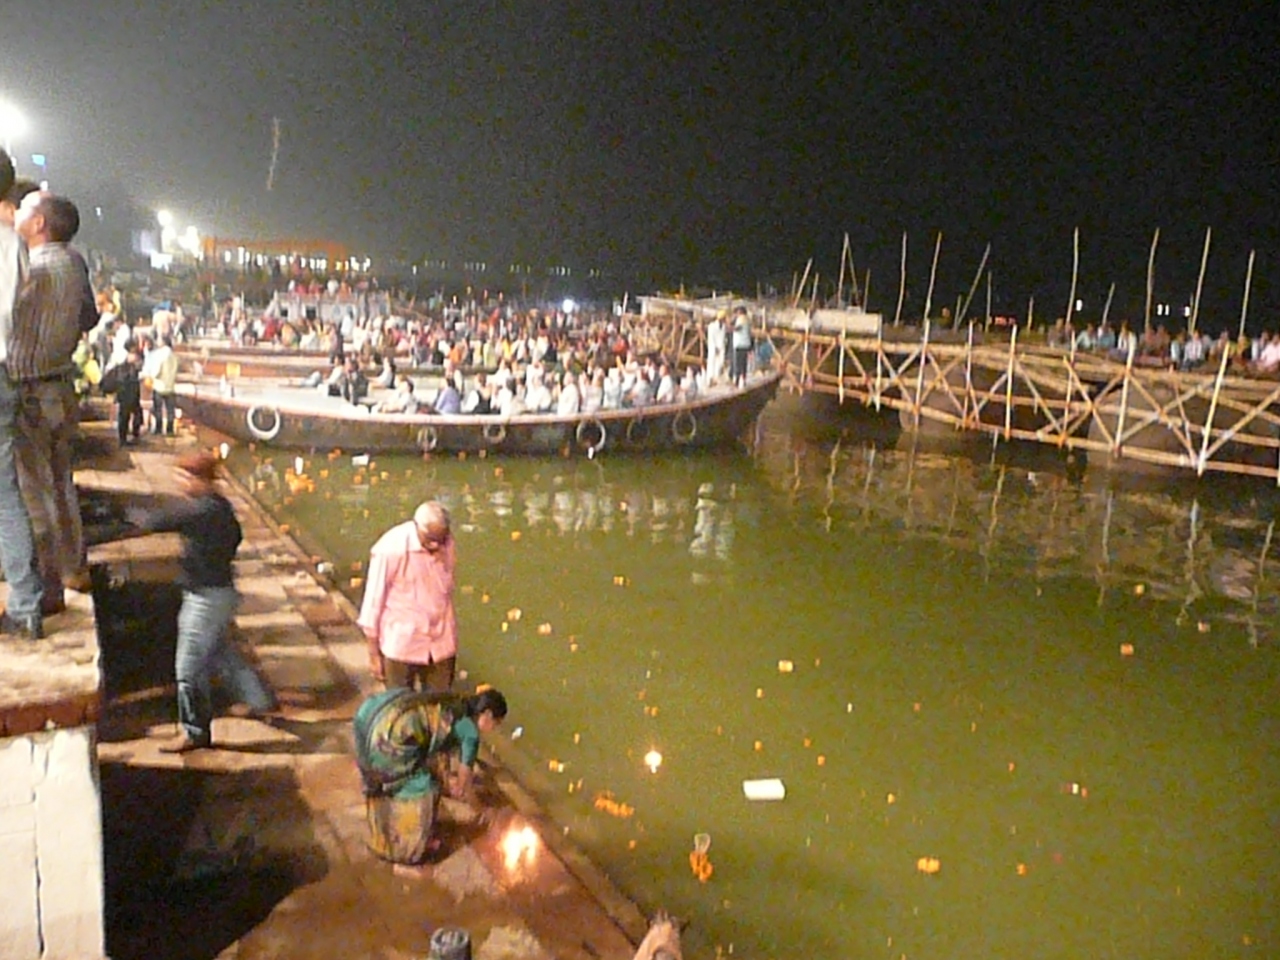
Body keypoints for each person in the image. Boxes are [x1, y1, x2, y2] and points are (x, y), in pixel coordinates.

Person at [132, 451, 276, 752]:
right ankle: (259, 700)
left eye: (183, 476)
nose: (178, 482)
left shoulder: (203, 511)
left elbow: (157, 521)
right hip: (221, 593)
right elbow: (235, 537)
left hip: (205, 599)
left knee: (189, 667)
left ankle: (195, 731)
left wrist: (130, 515)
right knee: (222, 653)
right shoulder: (220, 508)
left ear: (200, 479)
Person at [10, 191, 98, 612]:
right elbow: (89, 317)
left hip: (28, 390)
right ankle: (73, 568)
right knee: (61, 486)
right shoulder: (75, 262)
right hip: (61, 388)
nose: (15, 216)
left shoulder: (29, 267)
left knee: (32, 493)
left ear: (39, 223)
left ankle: (47, 587)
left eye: (23, 210)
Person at [353, 686, 508, 867]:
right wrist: (482, 811)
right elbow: (465, 785)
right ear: (487, 714)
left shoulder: (452, 701)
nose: (494, 729)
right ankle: (413, 847)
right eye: (496, 723)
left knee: (375, 778)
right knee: (425, 787)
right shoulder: (471, 734)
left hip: (370, 716)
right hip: (391, 733)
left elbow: (438, 748)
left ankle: (380, 826)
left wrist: (448, 779)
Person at [0, 151, 45, 640]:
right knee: (6, 494)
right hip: (3, 371)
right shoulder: (13, 243)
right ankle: (27, 604)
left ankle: (27, 600)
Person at [358, 501, 459, 692]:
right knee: (400, 703)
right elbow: (373, 601)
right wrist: (374, 654)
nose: (436, 545)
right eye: (430, 539)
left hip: (441, 641)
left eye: (441, 539)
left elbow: (446, 586)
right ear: (417, 527)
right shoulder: (390, 549)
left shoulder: (447, 543)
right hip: (402, 643)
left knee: (440, 703)